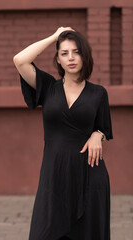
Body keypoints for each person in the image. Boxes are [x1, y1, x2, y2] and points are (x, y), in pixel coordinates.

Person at [13, 27, 113, 240]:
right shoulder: (48, 87)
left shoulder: (98, 93)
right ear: (57, 59)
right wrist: (54, 37)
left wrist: (98, 134)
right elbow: (20, 60)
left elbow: (104, 128)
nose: (71, 58)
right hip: (54, 175)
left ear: (84, 56)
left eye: (76, 52)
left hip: (90, 175)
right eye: (64, 53)